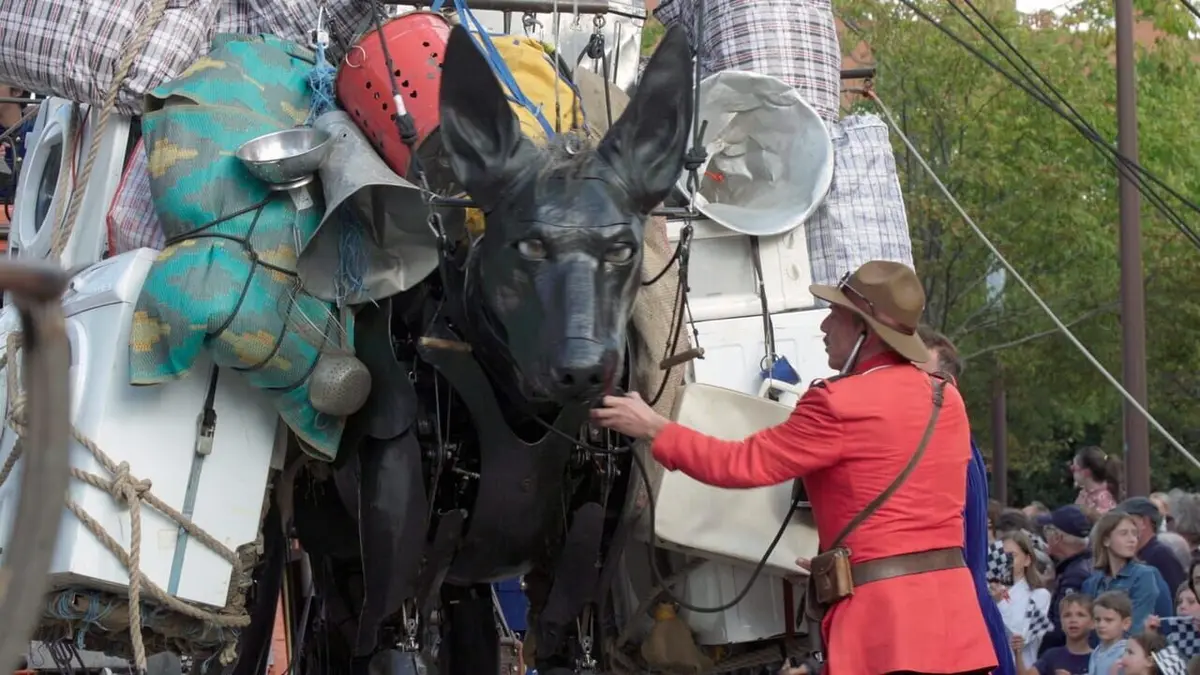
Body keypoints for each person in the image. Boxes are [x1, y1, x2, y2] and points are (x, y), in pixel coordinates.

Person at [591, 260, 997, 675]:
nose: (823, 326)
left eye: (835, 316)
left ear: (865, 331)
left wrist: (654, 428)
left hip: (884, 628)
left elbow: (739, 464)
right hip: (954, 621)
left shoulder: (838, 403)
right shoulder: (946, 400)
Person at [919, 325, 1016, 675]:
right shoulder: (958, 446)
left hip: (960, 629)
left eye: (920, 373)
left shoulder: (947, 448)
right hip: (966, 620)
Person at [1083, 511, 1165, 634]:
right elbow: (1089, 628)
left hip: (1129, 649)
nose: (1132, 540)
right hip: (1099, 650)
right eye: (1124, 534)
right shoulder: (1092, 583)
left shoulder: (1143, 575)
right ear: (1106, 540)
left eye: (1134, 534)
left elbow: (1136, 626)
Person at [1036, 505, 1096, 655]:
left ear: (1057, 537)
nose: (1046, 538)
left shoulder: (1074, 575)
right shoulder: (1087, 563)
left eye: (1047, 531)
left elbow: (1060, 627)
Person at [996, 531, 1053, 667]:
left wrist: (999, 602)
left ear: (1027, 560)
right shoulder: (986, 591)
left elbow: (1020, 635)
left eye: (1013, 556)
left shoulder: (1040, 595)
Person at [1118, 497, 1188, 595]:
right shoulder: (1136, 554)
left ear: (1144, 522)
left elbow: (1176, 595)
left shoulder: (1161, 555)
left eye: (1127, 520)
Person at [1024, 594, 1094, 675]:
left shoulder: (1099, 659)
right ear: (1061, 623)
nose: (1073, 620)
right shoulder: (1051, 656)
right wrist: (1018, 654)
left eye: (1080, 615)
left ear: (1093, 623)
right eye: (1067, 615)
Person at [1090, 591, 1133, 675]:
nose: (1101, 625)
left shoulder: (1125, 653)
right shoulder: (1096, 651)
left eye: (1108, 620)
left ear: (1125, 623)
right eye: (1097, 620)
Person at [1070, 447, 1121, 515]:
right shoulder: (1084, 493)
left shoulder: (1104, 499)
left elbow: (1103, 523)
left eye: (1073, 468)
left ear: (1086, 472)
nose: (1072, 472)